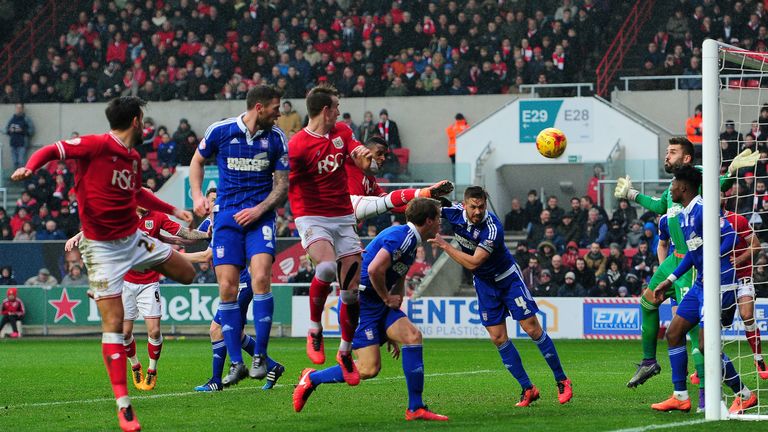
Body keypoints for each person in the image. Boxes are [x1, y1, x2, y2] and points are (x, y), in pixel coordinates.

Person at [11, 96, 196, 432]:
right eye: (145, 119)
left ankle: (153, 281)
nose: (147, 125)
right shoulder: (96, 145)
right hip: (102, 250)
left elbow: (137, 193)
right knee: (113, 325)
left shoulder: (134, 157)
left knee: (188, 273)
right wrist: (31, 166)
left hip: (133, 239)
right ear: (137, 120)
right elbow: (53, 149)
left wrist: (172, 211)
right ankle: (124, 406)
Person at [615, 137, 756, 388]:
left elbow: (718, 185)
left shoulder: (696, 177)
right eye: (666, 152)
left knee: (691, 332)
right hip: (676, 257)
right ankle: (649, 361)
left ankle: (705, 394)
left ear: (687, 158)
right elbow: (660, 206)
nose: (666, 156)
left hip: (694, 260)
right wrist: (632, 193)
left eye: (672, 152)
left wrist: (732, 172)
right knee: (648, 302)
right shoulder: (674, 185)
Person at [293, 198, 449, 421]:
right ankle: (312, 378)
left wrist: (392, 321)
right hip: (364, 303)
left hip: (380, 303)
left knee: (412, 336)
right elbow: (375, 269)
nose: (440, 224)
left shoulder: (411, 241)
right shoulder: (401, 237)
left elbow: (398, 274)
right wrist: (387, 298)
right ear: (428, 220)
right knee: (368, 369)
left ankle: (415, 408)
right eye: (439, 219)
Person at [430, 186, 573, 406]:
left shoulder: (492, 227)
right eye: (473, 207)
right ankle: (528, 388)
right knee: (498, 338)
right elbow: (425, 209)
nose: (478, 211)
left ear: (486, 204)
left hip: (508, 280)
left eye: (481, 206)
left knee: (532, 328)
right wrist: (414, 197)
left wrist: (445, 246)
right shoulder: (454, 212)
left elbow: (474, 262)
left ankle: (562, 380)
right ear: (465, 204)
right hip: (485, 285)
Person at [190, 85, 289, 387]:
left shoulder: (277, 139)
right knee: (227, 289)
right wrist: (197, 196)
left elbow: (282, 187)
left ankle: (259, 356)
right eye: (275, 108)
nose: (279, 113)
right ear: (259, 107)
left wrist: (259, 210)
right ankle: (236, 363)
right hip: (226, 219)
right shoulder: (221, 131)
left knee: (260, 278)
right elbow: (196, 161)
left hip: (260, 219)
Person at [651, 165, 756, 414]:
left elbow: (729, 237)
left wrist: (711, 259)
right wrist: (671, 279)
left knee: (705, 346)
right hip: (700, 284)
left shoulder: (702, 209)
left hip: (718, 283)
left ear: (684, 187)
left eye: (673, 184)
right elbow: (692, 253)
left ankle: (745, 394)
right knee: (674, 333)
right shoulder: (684, 214)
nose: (671, 188)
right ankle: (680, 396)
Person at [287, 83, 373, 383]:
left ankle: (345, 352)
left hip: (342, 217)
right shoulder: (297, 145)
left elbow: (357, 150)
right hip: (311, 216)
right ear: (325, 110)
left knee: (350, 294)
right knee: (324, 267)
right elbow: (284, 181)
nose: (339, 111)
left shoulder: (343, 132)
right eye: (336, 107)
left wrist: (366, 158)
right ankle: (314, 328)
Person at [192, 188, 285, 392]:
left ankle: (216, 380)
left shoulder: (227, 219)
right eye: (210, 201)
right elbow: (190, 237)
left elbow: (205, 256)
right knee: (237, 333)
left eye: (217, 200)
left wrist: (169, 258)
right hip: (236, 285)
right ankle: (273, 366)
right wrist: (164, 238)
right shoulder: (210, 222)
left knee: (216, 330)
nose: (213, 205)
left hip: (241, 284)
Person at [347, 135, 454, 222]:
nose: (383, 158)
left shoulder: (371, 181)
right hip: (335, 219)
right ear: (365, 151)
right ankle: (424, 193)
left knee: (387, 203)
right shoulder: (348, 162)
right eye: (379, 153)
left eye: (385, 155)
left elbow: (392, 204)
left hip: (347, 224)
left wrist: (426, 207)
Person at [723, 209, 768, 379]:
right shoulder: (704, 219)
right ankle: (701, 367)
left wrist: (740, 259)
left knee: (747, 315)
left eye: (721, 193)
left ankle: (758, 358)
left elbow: (755, 245)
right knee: (716, 322)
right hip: (719, 279)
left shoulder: (737, 220)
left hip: (743, 275)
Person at [5, 103, 35, 169]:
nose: (19, 110)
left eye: (20, 108)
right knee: (15, 162)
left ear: (23, 109)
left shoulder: (26, 119)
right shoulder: (12, 119)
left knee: (21, 162)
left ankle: (22, 178)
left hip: (22, 143)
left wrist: (22, 130)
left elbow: (31, 131)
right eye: (17, 108)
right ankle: (16, 177)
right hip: (13, 143)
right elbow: (6, 129)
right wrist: (10, 130)